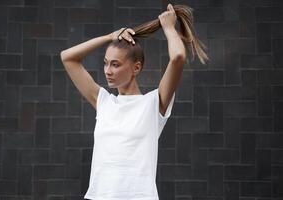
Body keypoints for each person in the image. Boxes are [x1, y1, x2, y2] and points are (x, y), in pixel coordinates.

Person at [60, 3, 209, 200]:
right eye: (105, 63)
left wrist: (168, 27)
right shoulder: (104, 102)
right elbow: (67, 58)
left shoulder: (154, 103)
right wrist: (109, 37)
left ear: (136, 68)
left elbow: (178, 57)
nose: (107, 71)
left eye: (115, 64)